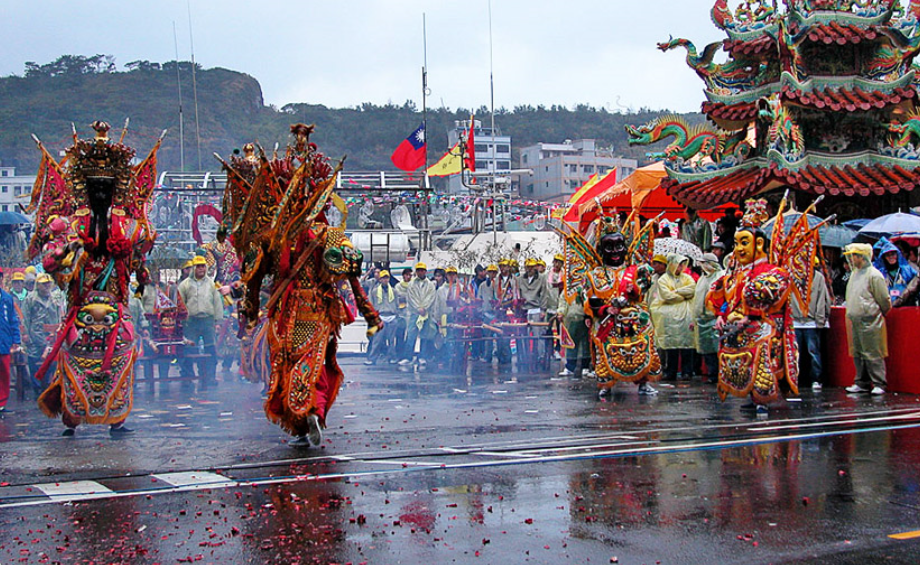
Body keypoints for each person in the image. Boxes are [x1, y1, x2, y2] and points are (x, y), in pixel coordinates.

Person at [219, 123, 382, 447]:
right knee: (311, 366)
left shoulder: (284, 237)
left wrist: (249, 314)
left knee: (288, 366)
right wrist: (369, 315)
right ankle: (309, 417)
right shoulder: (316, 235)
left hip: (292, 314)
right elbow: (352, 276)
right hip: (312, 312)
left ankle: (307, 416)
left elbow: (254, 278)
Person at [32, 121, 159, 437]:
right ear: (82, 186)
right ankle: (72, 417)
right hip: (81, 311)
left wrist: (143, 278)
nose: (101, 190)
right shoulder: (68, 225)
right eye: (95, 185)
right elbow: (48, 263)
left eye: (108, 185)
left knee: (120, 355)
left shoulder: (129, 226)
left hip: (117, 312)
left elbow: (141, 261)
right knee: (76, 358)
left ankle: (116, 417)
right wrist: (67, 252)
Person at [706, 198, 805, 414]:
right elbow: (722, 296)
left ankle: (762, 397)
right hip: (734, 329)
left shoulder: (772, 271)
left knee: (761, 360)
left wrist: (750, 316)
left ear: (759, 244)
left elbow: (768, 297)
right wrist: (721, 315)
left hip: (761, 327)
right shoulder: (733, 272)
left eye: (744, 243)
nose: (738, 249)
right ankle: (751, 395)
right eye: (737, 243)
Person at [578, 214, 661, 396]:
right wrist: (605, 309)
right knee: (605, 350)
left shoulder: (636, 270)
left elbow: (645, 288)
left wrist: (633, 290)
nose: (615, 251)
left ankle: (643, 382)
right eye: (609, 247)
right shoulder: (594, 274)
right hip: (608, 320)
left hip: (634, 321)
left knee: (643, 346)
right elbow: (588, 299)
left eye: (619, 246)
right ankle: (606, 383)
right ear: (601, 249)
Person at [843, 243, 891, 395]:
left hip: (870, 320)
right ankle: (861, 382)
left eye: (855, 255)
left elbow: (883, 299)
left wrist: (875, 313)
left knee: (873, 352)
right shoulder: (854, 274)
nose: (852, 259)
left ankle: (879, 382)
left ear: (862, 257)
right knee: (858, 352)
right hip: (855, 320)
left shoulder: (874, 275)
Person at [178, 255, 224, 390]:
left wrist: (218, 322)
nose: (201, 269)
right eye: (198, 266)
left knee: (210, 349)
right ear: (193, 268)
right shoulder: (185, 284)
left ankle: (210, 376)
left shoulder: (211, 284)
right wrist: (181, 321)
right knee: (189, 350)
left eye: (203, 266)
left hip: (208, 320)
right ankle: (188, 377)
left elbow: (217, 302)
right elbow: (180, 303)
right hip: (190, 321)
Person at [651, 254, 697, 381]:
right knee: (671, 346)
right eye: (678, 264)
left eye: (682, 264)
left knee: (686, 345)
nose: (680, 267)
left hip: (686, 317)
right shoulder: (663, 280)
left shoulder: (687, 278)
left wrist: (675, 291)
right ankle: (670, 371)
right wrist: (682, 295)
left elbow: (692, 290)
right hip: (669, 319)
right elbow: (666, 296)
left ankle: (687, 371)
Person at [792, 258, 830, 390]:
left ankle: (816, 378)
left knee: (813, 352)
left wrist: (820, 318)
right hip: (795, 321)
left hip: (811, 322)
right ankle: (795, 378)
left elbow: (823, 298)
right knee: (796, 353)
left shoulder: (818, 278)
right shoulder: (791, 276)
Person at [21, 273, 61, 396]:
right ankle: (37, 388)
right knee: (34, 360)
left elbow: (58, 316)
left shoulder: (54, 299)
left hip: (50, 335)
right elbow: (25, 318)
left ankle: (47, 385)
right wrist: (25, 334)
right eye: (44, 284)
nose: (46, 286)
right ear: (38, 285)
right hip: (35, 334)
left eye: (48, 284)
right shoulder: (30, 299)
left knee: (51, 361)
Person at [692, 253, 723, 383]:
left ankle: (719, 374)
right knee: (706, 348)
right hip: (701, 318)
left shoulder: (721, 276)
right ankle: (712, 373)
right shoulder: (702, 279)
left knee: (717, 347)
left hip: (714, 317)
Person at [400, 262, 438, 366]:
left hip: (426, 314)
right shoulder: (411, 284)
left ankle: (422, 357)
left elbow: (431, 297)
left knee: (424, 335)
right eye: (418, 270)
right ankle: (408, 357)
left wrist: (424, 308)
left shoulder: (430, 285)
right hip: (414, 313)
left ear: (425, 271)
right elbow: (411, 297)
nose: (420, 272)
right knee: (411, 335)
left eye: (422, 270)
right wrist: (418, 308)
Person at [0, 268, 22, 415]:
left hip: (4, 340)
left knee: (4, 372)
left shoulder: (6, 298)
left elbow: (13, 320)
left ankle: (1, 403)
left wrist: (16, 339)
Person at [366, 270, 399, 365]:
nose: (385, 280)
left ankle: (392, 357)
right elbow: (371, 304)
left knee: (391, 340)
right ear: (380, 279)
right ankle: (372, 358)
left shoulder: (394, 291)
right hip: (380, 316)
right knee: (377, 340)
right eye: (383, 278)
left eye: (386, 278)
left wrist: (395, 313)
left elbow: (397, 304)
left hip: (391, 316)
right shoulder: (375, 291)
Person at [872, 237, 916, 304]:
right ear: (884, 257)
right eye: (887, 255)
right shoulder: (881, 272)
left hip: (906, 305)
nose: (891, 257)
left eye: (893, 254)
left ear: (897, 255)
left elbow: (916, 284)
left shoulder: (907, 270)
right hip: (888, 307)